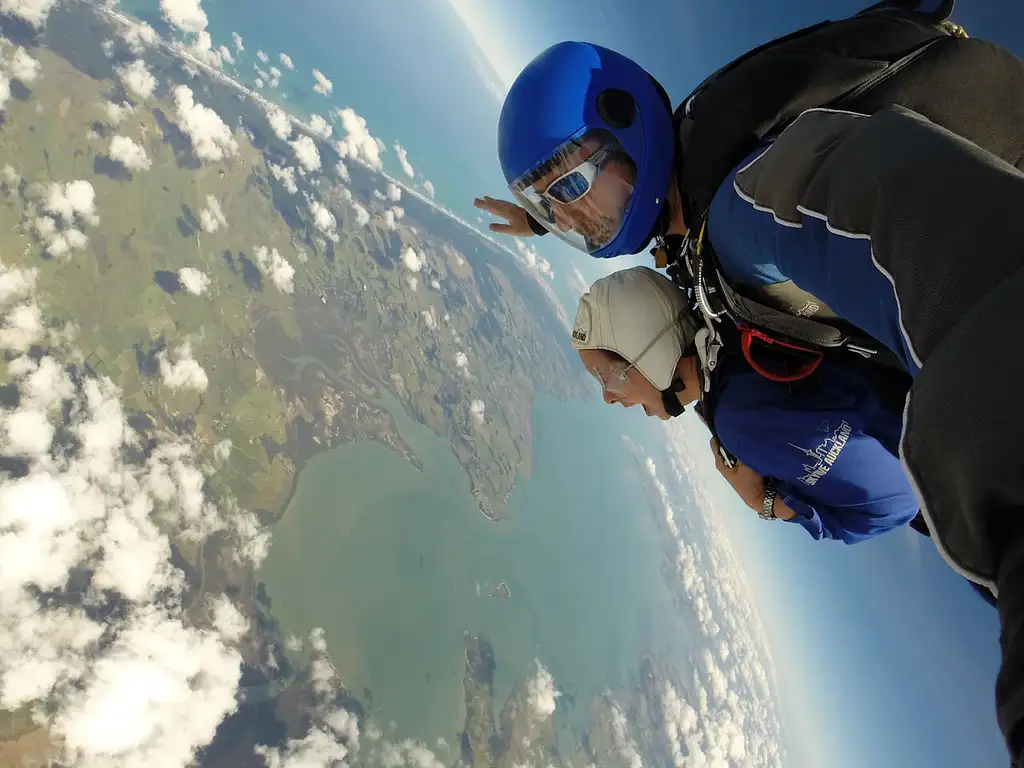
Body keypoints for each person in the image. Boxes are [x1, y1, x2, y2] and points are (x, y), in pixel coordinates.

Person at [481, 3, 1024, 762]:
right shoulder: (699, 207)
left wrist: (773, 498)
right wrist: (546, 219)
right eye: (554, 207)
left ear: (625, 126)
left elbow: (887, 197)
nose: (574, 220)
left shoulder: (740, 213)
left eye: (571, 185)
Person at [574, 265, 920, 543]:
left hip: (950, 459)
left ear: (643, 349)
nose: (608, 397)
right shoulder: (737, 337)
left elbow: (897, 502)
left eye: (607, 377)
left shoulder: (742, 421)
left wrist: (763, 502)